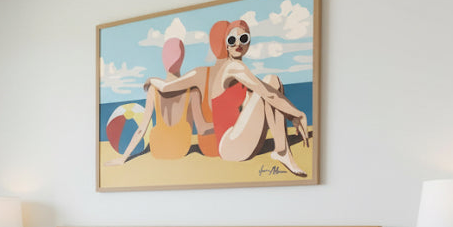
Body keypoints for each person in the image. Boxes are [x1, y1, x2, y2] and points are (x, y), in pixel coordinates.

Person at [151, 19, 310, 177]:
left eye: (243, 39)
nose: (237, 44)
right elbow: (268, 93)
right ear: (226, 45)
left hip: (235, 140)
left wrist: (290, 114)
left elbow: (269, 95)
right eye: (232, 40)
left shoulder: (241, 74)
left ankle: (281, 150)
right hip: (229, 145)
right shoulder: (233, 67)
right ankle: (282, 151)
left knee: (269, 84)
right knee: (270, 81)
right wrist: (298, 114)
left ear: (248, 43)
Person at [105, 37, 209, 165]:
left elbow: (141, 129)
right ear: (182, 59)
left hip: (157, 148)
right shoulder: (192, 91)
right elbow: (202, 128)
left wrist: (123, 159)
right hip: (180, 148)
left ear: (163, 59)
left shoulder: (153, 90)